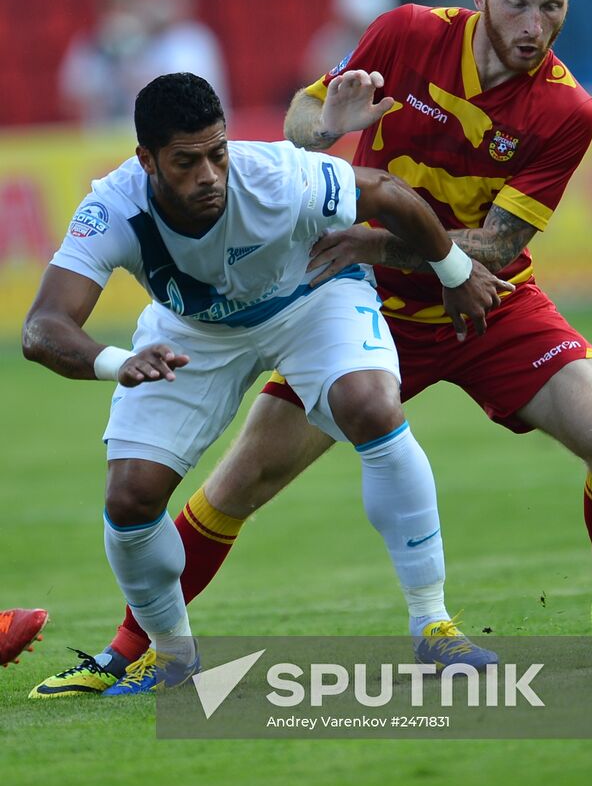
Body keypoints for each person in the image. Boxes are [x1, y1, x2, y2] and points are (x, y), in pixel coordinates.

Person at [31, 0, 592, 697]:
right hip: (358, 300)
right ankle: (137, 646)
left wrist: (370, 245)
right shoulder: (405, 34)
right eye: (521, 5)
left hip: (481, 301)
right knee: (238, 485)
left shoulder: (568, 112)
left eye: (553, 8)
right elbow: (300, 125)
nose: (536, 27)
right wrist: (329, 126)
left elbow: (495, 247)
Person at [24, 72, 511, 698]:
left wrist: (452, 269)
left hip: (309, 297)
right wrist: (117, 361)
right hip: (193, 334)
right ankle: (173, 657)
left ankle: (433, 623)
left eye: (216, 153)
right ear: (145, 160)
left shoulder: (274, 176)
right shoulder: (113, 207)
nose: (209, 175)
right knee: (130, 499)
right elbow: (43, 327)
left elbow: (387, 192)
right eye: (185, 161)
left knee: (369, 404)